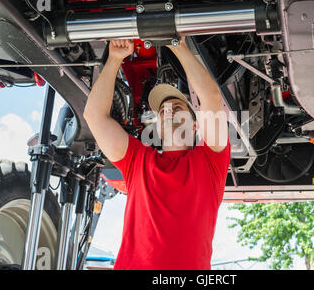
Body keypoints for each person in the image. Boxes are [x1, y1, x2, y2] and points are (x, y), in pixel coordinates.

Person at [83, 38, 230, 270]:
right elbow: (94, 116)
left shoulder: (211, 162)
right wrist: (113, 60)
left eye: (178, 108)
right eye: (163, 110)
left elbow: (211, 99)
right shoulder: (136, 160)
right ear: (157, 126)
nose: (169, 111)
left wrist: (176, 45)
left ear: (194, 125)